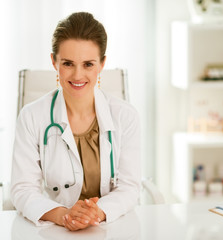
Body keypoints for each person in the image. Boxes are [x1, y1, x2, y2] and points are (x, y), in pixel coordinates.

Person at [11, 12, 141, 231]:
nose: (78, 75)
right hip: (53, 229)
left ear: (102, 64)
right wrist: (64, 215)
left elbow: (129, 187)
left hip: (110, 228)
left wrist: (95, 213)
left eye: (88, 64)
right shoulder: (31, 116)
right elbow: (22, 189)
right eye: (68, 63)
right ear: (54, 62)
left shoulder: (125, 116)